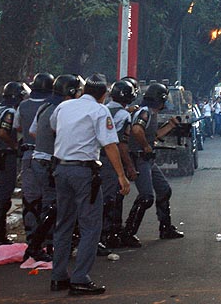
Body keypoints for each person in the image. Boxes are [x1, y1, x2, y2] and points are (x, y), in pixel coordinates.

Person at [49, 73, 130, 295]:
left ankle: (58, 277)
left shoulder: (64, 107)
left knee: (63, 224)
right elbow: (110, 145)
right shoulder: (99, 110)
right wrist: (121, 176)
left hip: (61, 169)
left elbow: (53, 127)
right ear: (103, 95)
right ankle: (80, 278)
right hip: (84, 172)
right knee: (90, 226)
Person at [25, 74, 84, 262]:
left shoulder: (45, 106)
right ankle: (39, 246)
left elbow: (33, 131)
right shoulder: (62, 109)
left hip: (37, 158)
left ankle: (42, 243)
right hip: (50, 162)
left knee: (48, 203)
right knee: (53, 206)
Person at [121, 82, 184, 248]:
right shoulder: (144, 112)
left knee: (164, 190)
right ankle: (128, 233)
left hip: (147, 160)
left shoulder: (150, 113)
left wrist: (170, 126)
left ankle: (165, 228)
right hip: (140, 158)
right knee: (146, 197)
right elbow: (137, 131)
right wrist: (145, 146)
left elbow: (153, 135)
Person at [13, 72, 54, 261]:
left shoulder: (23, 105)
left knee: (30, 200)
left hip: (28, 155)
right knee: (49, 200)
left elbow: (19, 128)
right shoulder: (53, 107)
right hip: (48, 156)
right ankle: (47, 241)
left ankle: (31, 240)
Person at [0, 82, 31, 247]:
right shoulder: (10, 111)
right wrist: (15, 146)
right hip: (6, 155)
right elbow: (2, 132)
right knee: (4, 195)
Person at [99, 80, 138, 250]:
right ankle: (107, 234)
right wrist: (128, 167)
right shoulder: (124, 115)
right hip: (110, 159)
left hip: (94, 158)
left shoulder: (103, 109)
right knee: (112, 197)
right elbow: (122, 144)